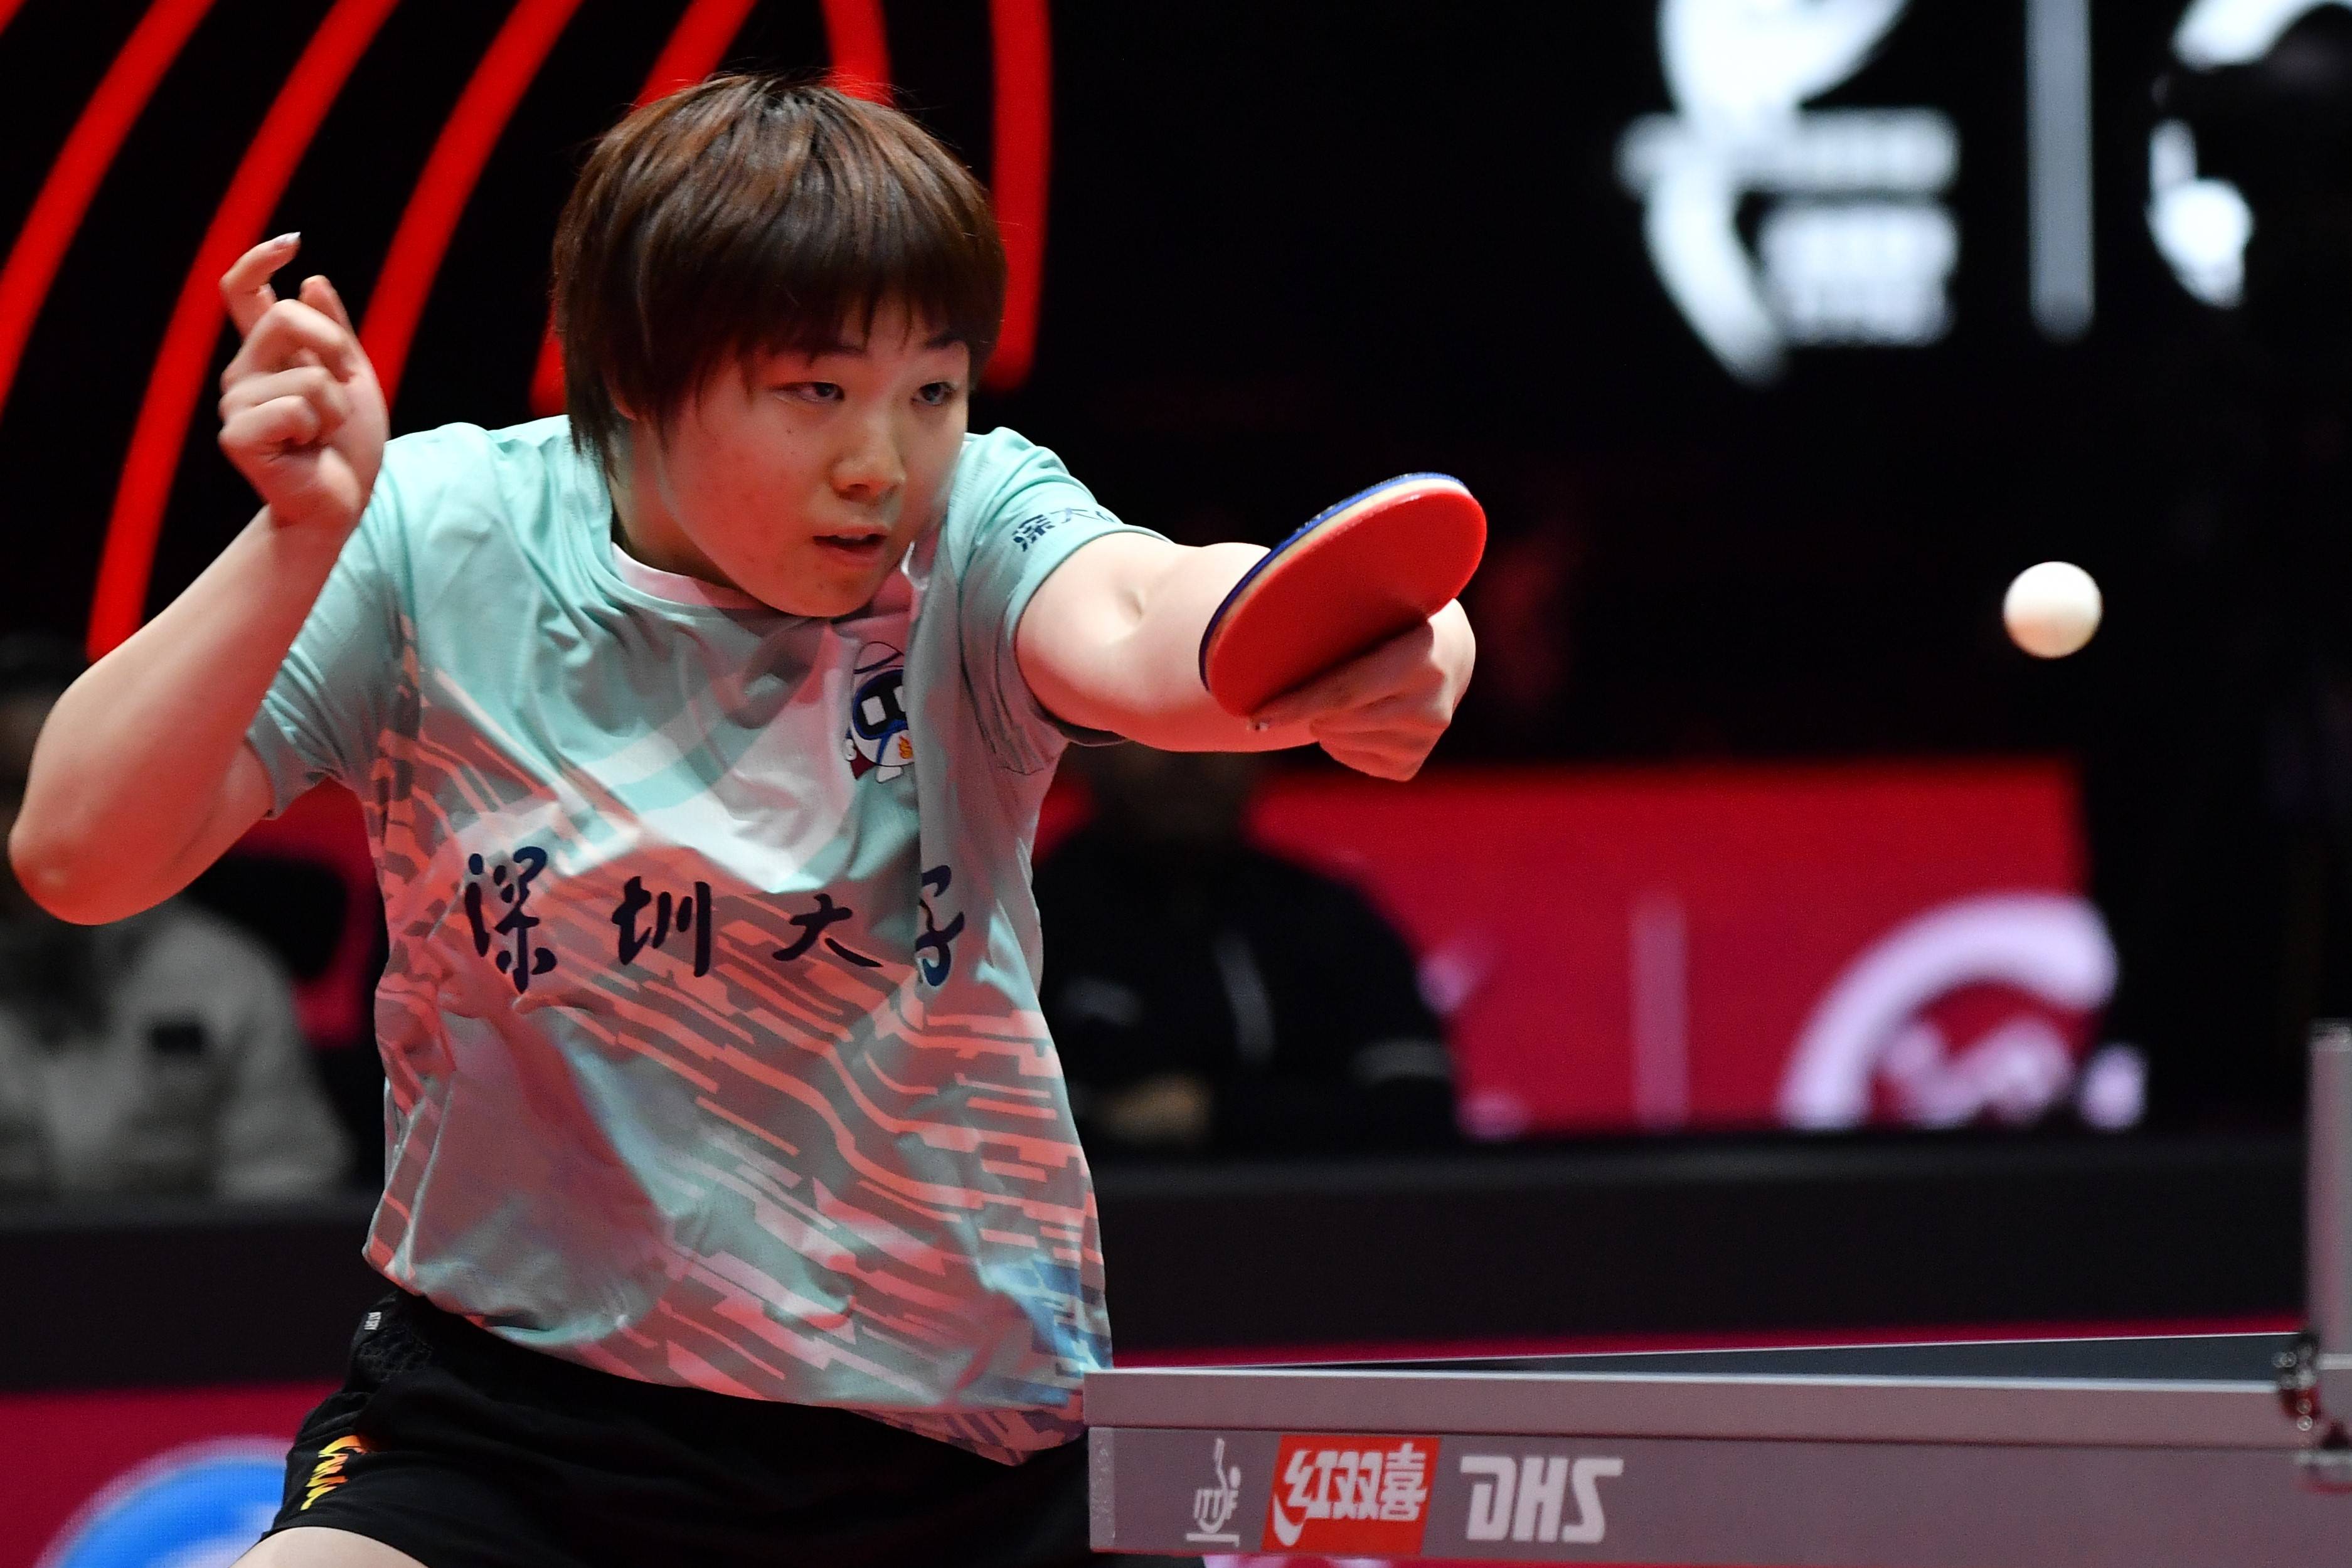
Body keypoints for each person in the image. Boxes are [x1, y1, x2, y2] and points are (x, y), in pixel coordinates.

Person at [8, 78, 1473, 1568]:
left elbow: (1150, 621)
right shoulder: (435, 534)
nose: (881, 462)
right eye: (814, 390)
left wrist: (1352, 633)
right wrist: (296, 538)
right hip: (512, 1425)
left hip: (955, 1451)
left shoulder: (974, 527)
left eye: (932, 390)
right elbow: (79, 853)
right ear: (637, 376)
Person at [0, 636, 346, 1199]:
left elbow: (285, 1201)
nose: (43, 820)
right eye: (13, 790)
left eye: (71, 785)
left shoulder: (228, 978)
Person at [1038, 743, 1455, 1157]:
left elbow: (1420, 1110)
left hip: (1305, 1199)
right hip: (1098, 1198)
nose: (1188, 753)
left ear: (1270, 747)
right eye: (1147, 729)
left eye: (1220, 728)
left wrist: (1213, 1112)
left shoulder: (1328, 918)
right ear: (1078, 746)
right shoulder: (1029, 918)